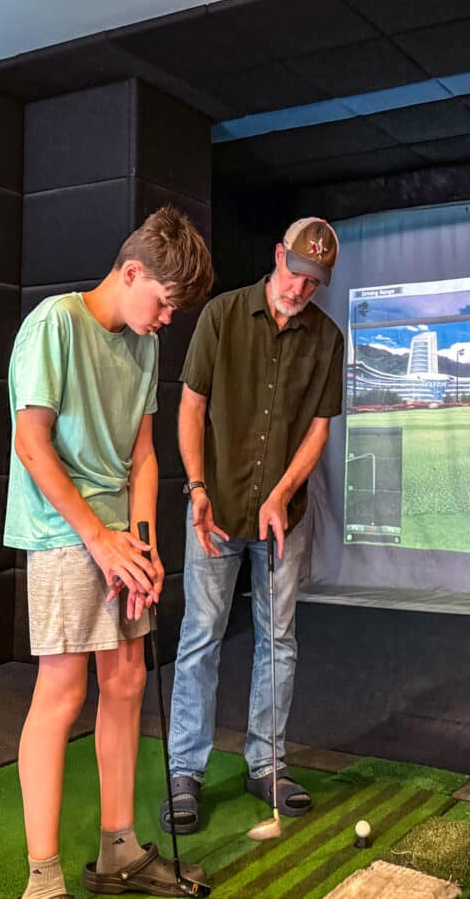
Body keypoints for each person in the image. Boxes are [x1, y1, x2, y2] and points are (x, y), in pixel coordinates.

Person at [4, 206, 213, 899]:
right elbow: (30, 445)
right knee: (63, 692)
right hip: (67, 532)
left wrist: (146, 547)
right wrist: (99, 538)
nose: (165, 321)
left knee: (125, 682)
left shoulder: (145, 344)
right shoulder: (53, 326)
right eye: (162, 303)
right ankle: (43, 878)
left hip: (123, 535)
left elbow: (145, 455)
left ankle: (119, 852)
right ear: (131, 273)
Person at [161, 217, 344, 834]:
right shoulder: (222, 315)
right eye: (295, 273)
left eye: (313, 283)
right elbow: (191, 405)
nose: (299, 289)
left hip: (281, 521)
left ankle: (266, 764)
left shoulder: (328, 337)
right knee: (200, 637)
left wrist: (281, 495)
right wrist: (197, 489)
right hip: (214, 510)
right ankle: (185, 770)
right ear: (276, 256)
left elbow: (317, 428)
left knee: (279, 640)